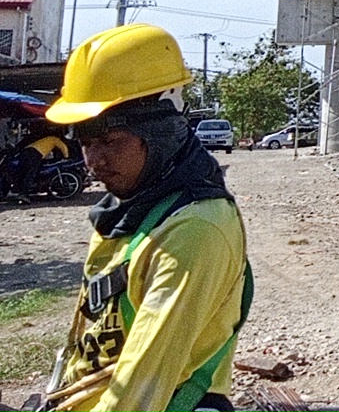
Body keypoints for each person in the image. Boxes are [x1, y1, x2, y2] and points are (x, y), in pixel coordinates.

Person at [40, 23, 251, 412]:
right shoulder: (129, 211)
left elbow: (139, 390)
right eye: (85, 142)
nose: (93, 162)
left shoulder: (195, 230)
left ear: (161, 131)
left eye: (108, 141)